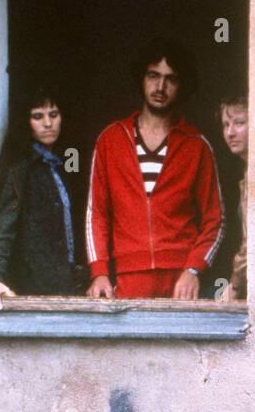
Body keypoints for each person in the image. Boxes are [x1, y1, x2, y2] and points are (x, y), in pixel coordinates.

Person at [85, 38, 224, 300]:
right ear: (141, 78)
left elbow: (215, 220)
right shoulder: (111, 139)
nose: (160, 87)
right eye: (153, 76)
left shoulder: (197, 145)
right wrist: (99, 271)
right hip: (127, 278)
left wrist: (194, 269)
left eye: (171, 79)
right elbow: (97, 214)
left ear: (182, 86)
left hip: (181, 282)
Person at [0, 86, 86, 312]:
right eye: (38, 116)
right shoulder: (19, 167)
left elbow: (78, 212)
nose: (48, 123)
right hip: (35, 289)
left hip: (71, 286)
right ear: (26, 122)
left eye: (54, 115)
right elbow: (3, 229)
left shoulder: (66, 159)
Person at [217, 92, 248, 302]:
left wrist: (236, 282)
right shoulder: (246, 175)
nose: (230, 132)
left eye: (239, 123)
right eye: (225, 124)